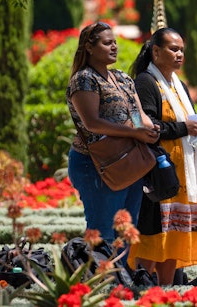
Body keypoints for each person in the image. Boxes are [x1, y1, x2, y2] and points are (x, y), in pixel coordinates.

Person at [126, 27, 197, 285]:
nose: (179, 54)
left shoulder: (180, 85)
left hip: (181, 177)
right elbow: (146, 126)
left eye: (181, 50)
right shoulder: (145, 82)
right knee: (154, 237)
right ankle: (143, 290)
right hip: (158, 175)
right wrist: (184, 129)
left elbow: (191, 125)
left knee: (174, 237)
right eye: (173, 49)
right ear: (155, 51)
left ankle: (167, 291)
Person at [67, 21, 160, 246]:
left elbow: (138, 116)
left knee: (126, 231)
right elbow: (92, 123)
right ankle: (99, 280)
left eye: (115, 42)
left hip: (130, 161)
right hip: (96, 163)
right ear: (89, 48)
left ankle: (120, 280)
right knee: (102, 232)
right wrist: (135, 131)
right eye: (107, 43)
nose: (114, 47)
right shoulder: (84, 78)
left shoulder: (122, 78)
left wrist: (149, 128)